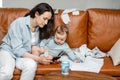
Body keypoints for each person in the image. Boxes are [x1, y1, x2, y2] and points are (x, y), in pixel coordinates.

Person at [0, 3, 54, 80]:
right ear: (37, 14)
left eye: (48, 20)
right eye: (44, 19)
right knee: (6, 73)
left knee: (31, 65)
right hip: (9, 52)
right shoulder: (19, 23)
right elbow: (17, 50)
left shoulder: (40, 30)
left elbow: (37, 48)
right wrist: (38, 59)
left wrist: (47, 57)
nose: (46, 23)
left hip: (23, 56)